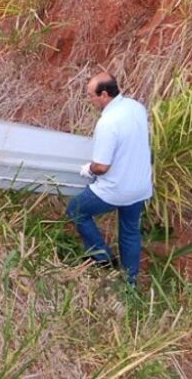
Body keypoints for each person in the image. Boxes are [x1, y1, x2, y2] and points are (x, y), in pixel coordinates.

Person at [66, 72, 153, 285]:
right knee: (130, 232)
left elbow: (102, 166)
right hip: (140, 185)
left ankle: (103, 258)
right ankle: (130, 282)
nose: (89, 100)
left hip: (115, 189)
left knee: (76, 210)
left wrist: (88, 169)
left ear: (104, 94)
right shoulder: (136, 107)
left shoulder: (108, 123)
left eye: (90, 95)